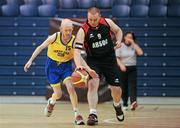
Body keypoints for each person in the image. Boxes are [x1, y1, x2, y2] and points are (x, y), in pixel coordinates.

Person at [24, 19, 85, 125]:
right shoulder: (54, 37)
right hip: (52, 66)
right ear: (61, 29)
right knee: (58, 94)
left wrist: (87, 69)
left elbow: (78, 55)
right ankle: (51, 102)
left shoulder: (74, 41)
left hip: (65, 66)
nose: (68, 33)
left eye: (70, 30)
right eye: (66, 30)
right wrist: (30, 60)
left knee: (70, 87)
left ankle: (77, 114)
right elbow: (40, 47)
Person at [73, 7, 124, 125]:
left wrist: (119, 40)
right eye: (90, 19)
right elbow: (76, 51)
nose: (92, 22)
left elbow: (118, 31)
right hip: (94, 60)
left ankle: (117, 105)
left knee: (116, 89)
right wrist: (79, 66)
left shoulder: (107, 22)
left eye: (95, 20)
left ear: (99, 17)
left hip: (109, 59)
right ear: (87, 17)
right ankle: (93, 114)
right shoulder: (83, 30)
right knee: (92, 84)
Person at [116, 32, 143, 111]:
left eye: (131, 37)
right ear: (124, 37)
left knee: (133, 86)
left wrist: (133, 43)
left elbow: (140, 53)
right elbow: (117, 58)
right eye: (127, 37)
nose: (129, 38)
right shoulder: (120, 46)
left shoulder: (134, 46)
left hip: (132, 68)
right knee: (124, 87)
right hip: (123, 68)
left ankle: (133, 102)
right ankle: (124, 103)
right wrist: (121, 65)